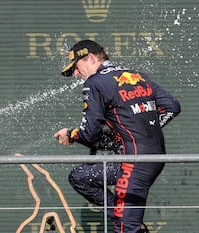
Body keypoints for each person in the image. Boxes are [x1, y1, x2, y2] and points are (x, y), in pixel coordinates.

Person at [53, 40, 181, 233]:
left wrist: (70, 135)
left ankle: (128, 220)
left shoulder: (94, 83)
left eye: (76, 67)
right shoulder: (135, 75)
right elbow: (172, 107)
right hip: (151, 157)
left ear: (91, 58)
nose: (76, 74)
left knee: (125, 229)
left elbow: (90, 134)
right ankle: (126, 216)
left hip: (134, 162)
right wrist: (146, 129)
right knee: (80, 177)